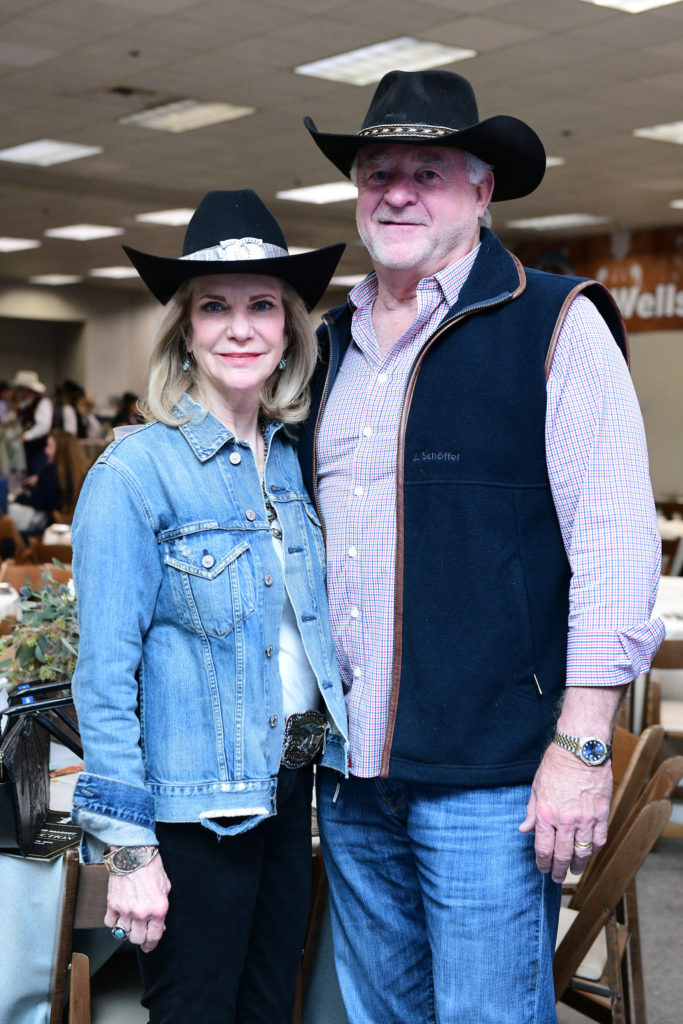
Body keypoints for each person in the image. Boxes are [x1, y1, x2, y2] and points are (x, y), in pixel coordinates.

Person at [299, 70, 664, 1024]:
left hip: (492, 779)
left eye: (427, 171)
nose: (398, 193)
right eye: (378, 172)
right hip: (350, 775)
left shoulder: (554, 322)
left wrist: (581, 745)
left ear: (481, 189)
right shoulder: (326, 346)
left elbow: (615, 544)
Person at [70, 189, 348, 1024]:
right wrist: (128, 851)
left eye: (262, 305)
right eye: (214, 307)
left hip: (287, 794)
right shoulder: (133, 474)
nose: (240, 328)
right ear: (184, 331)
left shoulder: (294, 462)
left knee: (268, 1009)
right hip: (191, 814)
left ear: (289, 328)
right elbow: (103, 678)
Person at [8, 432, 62, 537]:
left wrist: (19, 496)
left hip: (46, 528)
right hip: (58, 524)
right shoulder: (68, 472)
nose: (46, 450)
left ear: (61, 450)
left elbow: (40, 502)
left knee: (7, 522)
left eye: (50, 446)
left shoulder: (52, 471)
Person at [11, 369, 54, 474]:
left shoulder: (43, 402)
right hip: (27, 450)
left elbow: (44, 426)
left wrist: (26, 436)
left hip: (38, 450)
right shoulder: (26, 402)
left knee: (37, 475)